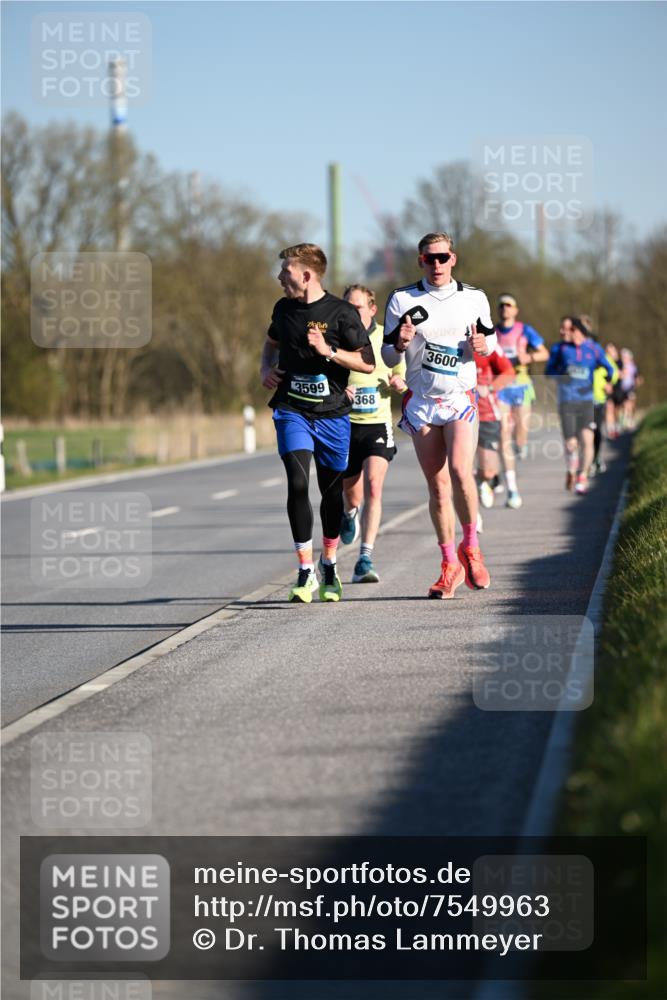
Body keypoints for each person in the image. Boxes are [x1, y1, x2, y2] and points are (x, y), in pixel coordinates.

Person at [381, 231, 495, 599]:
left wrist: (482, 345)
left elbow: (490, 342)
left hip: (459, 397)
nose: (436, 264)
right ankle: (449, 564)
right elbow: (387, 355)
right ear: (420, 261)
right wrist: (400, 342)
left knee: (461, 472)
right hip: (422, 402)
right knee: (438, 487)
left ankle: (471, 547)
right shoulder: (402, 299)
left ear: (453, 259)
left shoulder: (473, 298)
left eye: (442, 257)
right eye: (429, 258)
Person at [260, 243, 375, 603]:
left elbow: (367, 363)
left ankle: (329, 563)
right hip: (292, 409)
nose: (280, 277)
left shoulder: (341, 313)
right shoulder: (283, 309)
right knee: (297, 483)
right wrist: (265, 369)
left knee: (331, 493)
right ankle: (305, 569)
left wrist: (329, 351)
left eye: (286, 271)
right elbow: (270, 343)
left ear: (306, 275)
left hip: (332, 414)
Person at [339, 284, 407, 582]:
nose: (351, 312)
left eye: (357, 307)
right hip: (345, 424)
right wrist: (340, 390)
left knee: (374, 487)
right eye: (347, 307)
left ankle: (364, 558)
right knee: (352, 495)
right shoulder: (337, 338)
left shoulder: (385, 339)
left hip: (377, 423)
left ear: (372, 309)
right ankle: (348, 512)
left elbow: (400, 372)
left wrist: (399, 383)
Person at [545, 316, 614, 494]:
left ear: (581, 332)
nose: (567, 333)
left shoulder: (593, 348)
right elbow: (548, 371)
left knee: (587, 439)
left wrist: (608, 381)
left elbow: (609, 368)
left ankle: (582, 476)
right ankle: (572, 468)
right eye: (566, 329)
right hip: (566, 401)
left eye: (572, 330)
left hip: (586, 401)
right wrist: (561, 375)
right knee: (571, 443)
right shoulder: (560, 348)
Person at [494, 294, 549, 509]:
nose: (505, 309)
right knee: (503, 432)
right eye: (502, 306)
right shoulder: (493, 331)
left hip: (522, 386)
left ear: (515, 310)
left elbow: (544, 353)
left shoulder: (525, 330)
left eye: (509, 305)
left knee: (520, 432)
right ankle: (511, 487)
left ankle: (521, 445)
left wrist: (529, 357)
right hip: (501, 388)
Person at [475, 346, 516, 509]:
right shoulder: (447, 340)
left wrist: (489, 387)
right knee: (460, 467)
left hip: (486, 414)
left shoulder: (489, 345)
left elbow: (509, 373)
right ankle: (472, 516)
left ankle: (482, 481)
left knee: (488, 471)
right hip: (457, 414)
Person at [579, 316, 619, 474]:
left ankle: (594, 457)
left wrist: (609, 382)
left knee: (594, 431)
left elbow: (612, 369)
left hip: (596, 396)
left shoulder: (595, 348)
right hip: (577, 397)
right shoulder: (570, 349)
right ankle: (584, 462)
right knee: (581, 432)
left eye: (584, 326)